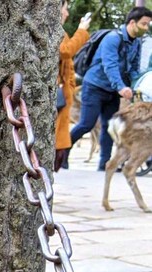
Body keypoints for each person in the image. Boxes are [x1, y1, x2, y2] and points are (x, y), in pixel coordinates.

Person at [69, 7, 151, 171]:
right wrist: (121, 87)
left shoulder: (136, 43)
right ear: (132, 22)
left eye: (148, 24)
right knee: (87, 123)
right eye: (144, 24)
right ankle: (60, 152)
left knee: (108, 126)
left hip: (112, 91)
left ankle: (104, 164)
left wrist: (136, 86)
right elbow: (110, 65)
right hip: (95, 86)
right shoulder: (112, 38)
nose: (146, 28)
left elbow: (133, 69)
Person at [55, 2, 91, 171]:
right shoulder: (55, 32)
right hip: (58, 94)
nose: (67, 13)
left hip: (63, 93)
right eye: (65, 8)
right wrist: (82, 30)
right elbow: (65, 51)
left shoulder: (59, 31)